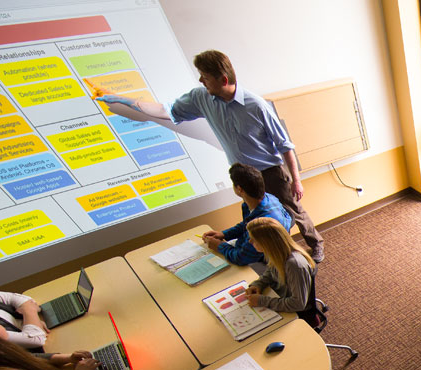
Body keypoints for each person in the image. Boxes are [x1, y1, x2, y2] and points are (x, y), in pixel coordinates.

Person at [95, 50, 324, 261]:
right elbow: (166, 111)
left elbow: (285, 144)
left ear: (223, 79)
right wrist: (124, 100)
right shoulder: (201, 98)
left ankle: (316, 244)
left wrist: (296, 180)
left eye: (205, 76)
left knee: (294, 212)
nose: (201, 81)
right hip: (244, 175)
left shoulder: (257, 105)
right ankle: (271, 254)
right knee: (255, 220)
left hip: (270, 171)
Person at [201, 163, 293, 266]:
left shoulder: (263, 223)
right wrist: (224, 234)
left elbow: (241, 258)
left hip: (263, 262)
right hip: (254, 252)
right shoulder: (267, 198)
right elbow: (246, 225)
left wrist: (219, 246)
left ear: (240, 189)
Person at [245, 217, 317, 321]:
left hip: (293, 311)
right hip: (279, 296)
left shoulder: (294, 266)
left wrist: (262, 301)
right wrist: (259, 284)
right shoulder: (275, 253)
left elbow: (298, 304)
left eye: (254, 239)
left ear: (267, 243)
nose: (250, 241)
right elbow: (270, 272)